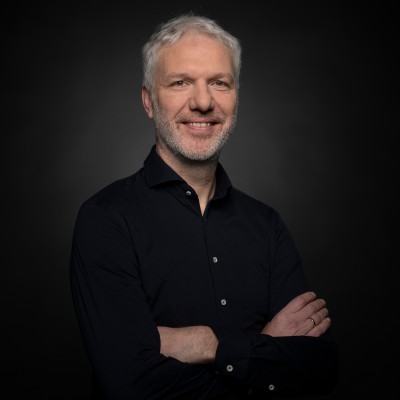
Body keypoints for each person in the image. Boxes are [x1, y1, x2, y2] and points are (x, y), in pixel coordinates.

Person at [70, 13, 339, 400]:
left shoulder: (267, 225)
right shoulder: (106, 219)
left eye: (219, 83)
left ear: (236, 97)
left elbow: (321, 369)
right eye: (180, 82)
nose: (202, 102)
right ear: (148, 101)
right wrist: (262, 352)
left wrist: (209, 344)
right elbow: (129, 386)